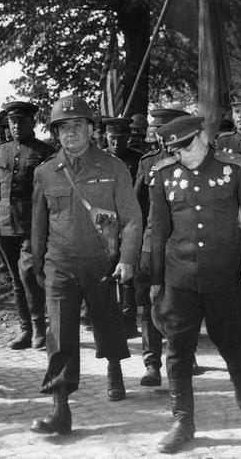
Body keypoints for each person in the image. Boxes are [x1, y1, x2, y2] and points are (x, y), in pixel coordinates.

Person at [149, 115, 241, 453]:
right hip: (180, 277)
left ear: (203, 137)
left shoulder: (234, 169)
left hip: (225, 275)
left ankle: (239, 376)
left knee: (229, 337)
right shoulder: (162, 175)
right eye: (176, 151)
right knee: (177, 350)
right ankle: (182, 421)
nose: (184, 156)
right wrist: (154, 280)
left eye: (188, 147)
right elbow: (157, 231)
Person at [29, 95, 141, 434]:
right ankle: (60, 407)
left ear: (92, 129)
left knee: (107, 322)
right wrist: (38, 266)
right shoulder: (46, 172)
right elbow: (38, 225)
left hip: (102, 263)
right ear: (55, 133)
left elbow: (133, 220)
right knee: (61, 333)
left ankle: (114, 368)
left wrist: (127, 259)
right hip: (60, 263)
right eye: (62, 127)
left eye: (77, 125)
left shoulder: (113, 168)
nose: (70, 133)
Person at [0, 101, 53, 349]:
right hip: (3, 224)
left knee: (28, 274)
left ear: (32, 123)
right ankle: (25, 329)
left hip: (32, 225)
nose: (16, 126)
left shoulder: (45, 152)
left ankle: (39, 328)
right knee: (16, 278)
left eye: (22, 122)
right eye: (12, 122)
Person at [133, 108, 189, 387]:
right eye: (159, 131)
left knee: (185, 301)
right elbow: (135, 206)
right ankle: (152, 363)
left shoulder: (195, 159)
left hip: (185, 242)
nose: (163, 138)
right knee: (149, 302)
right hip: (152, 243)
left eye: (168, 131)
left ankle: (183, 358)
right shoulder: (148, 162)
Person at [104, 116, 144, 338]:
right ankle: (103, 317)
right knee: (105, 269)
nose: (117, 143)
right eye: (112, 138)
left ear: (128, 137)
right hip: (104, 221)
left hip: (130, 221)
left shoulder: (139, 160)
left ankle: (129, 321)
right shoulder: (98, 159)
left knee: (127, 270)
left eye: (121, 138)